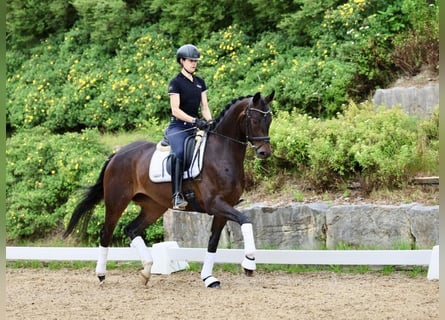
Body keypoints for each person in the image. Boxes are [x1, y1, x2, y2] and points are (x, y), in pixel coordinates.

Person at [165, 44, 213, 210]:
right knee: (179, 153)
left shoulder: (200, 82)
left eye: (196, 61)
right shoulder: (175, 83)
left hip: (195, 126)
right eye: (191, 60)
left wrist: (210, 122)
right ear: (182, 61)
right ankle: (176, 195)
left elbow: (205, 107)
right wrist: (194, 121)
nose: (194, 63)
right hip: (178, 127)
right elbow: (175, 110)